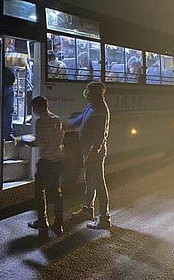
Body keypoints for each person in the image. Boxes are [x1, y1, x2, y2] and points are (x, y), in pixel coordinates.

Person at [66, 81, 111, 229]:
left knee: (99, 184)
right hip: (88, 153)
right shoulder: (90, 106)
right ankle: (87, 210)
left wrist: (91, 155)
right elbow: (77, 122)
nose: (86, 93)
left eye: (88, 91)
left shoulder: (101, 111)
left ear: (96, 94)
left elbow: (99, 138)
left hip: (95, 154)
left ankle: (104, 218)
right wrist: (61, 126)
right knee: (90, 182)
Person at [25, 96, 65, 236]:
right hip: (58, 160)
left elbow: (39, 142)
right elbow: (60, 137)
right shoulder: (56, 118)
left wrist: (26, 142)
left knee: (39, 190)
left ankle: (43, 220)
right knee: (56, 193)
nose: (33, 111)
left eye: (33, 108)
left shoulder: (41, 121)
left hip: (46, 161)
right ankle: (58, 224)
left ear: (38, 107)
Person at [3, 66, 15, 140]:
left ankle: (7, 133)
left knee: (8, 110)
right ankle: (8, 133)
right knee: (9, 111)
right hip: (8, 84)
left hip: (5, 84)